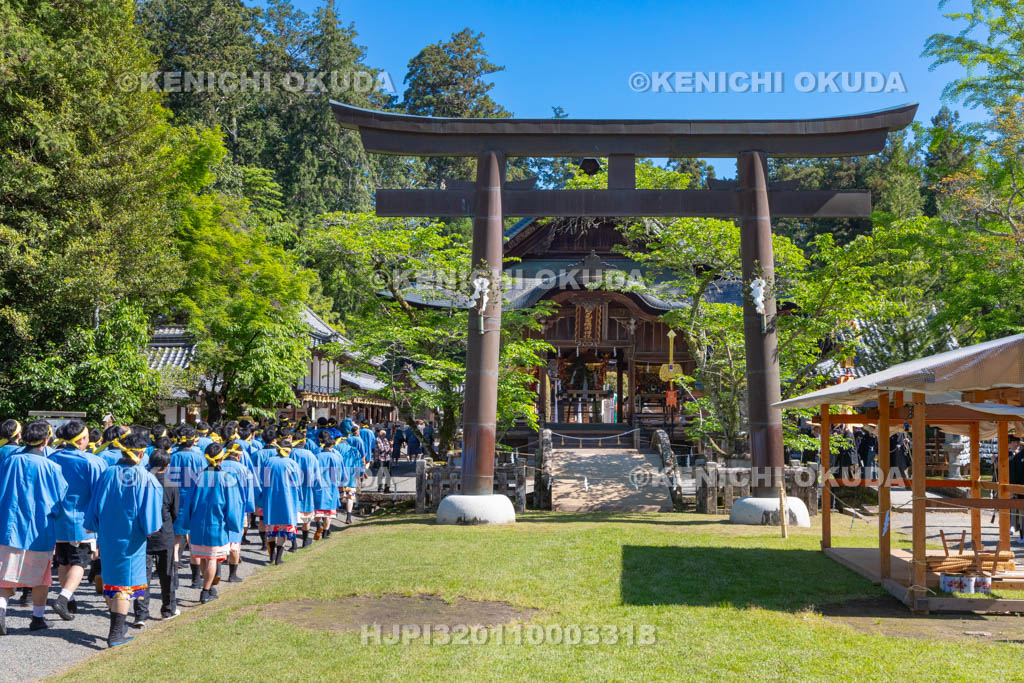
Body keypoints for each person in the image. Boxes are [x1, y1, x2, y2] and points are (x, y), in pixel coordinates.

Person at [84, 432, 162, 647]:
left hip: (108, 536)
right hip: (131, 540)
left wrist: (93, 525)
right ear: (142, 452)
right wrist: (150, 529)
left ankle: (118, 628)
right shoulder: (145, 478)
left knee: (112, 581)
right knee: (123, 586)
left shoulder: (108, 473)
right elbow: (151, 521)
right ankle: (116, 633)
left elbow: (94, 505)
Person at [0, 420, 68, 635]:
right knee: (41, 577)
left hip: (9, 528)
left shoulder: (10, 461)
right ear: (46, 440)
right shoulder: (52, 467)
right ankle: (37, 618)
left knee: (5, 575)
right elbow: (60, 500)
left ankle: (1, 611)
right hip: (41, 530)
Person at [48, 419, 106, 621]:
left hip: (56, 520)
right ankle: (63, 598)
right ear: (82, 439)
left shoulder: (52, 457)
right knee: (80, 563)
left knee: (64, 562)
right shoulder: (92, 461)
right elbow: (100, 495)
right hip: (81, 521)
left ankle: (69, 599)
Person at [178, 442, 244, 604]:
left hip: (197, 524)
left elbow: (188, 503)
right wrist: (235, 525)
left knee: (203, 557)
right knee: (212, 558)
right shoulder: (227, 478)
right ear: (221, 458)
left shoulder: (198, 477)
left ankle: (208, 585)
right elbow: (233, 506)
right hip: (217, 524)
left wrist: (186, 522)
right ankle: (206, 590)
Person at [138, 448, 180, 623]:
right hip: (165, 532)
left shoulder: (141, 482)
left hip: (145, 533)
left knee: (143, 575)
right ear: (167, 465)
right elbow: (175, 511)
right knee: (167, 573)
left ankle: (141, 613)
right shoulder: (171, 485)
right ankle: (168, 608)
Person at [168, 425, 205, 587]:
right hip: (194, 502)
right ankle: (196, 579)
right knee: (194, 542)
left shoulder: (171, 457)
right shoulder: (199, 458)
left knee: (175, 542)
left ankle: (174, 578)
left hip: (173, 503)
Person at [259, 428, 301, 565]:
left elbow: (263, 481)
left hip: (270, 500)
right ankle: (278, 558)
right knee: (283, 530)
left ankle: (271, 556)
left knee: (270, 528)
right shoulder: (292, 463)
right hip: (287, 500)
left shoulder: (268, 462)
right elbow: (297, 483)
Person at [219, 439, 255, 581]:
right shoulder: (244, 470)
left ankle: (217, 572)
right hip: (237, 507)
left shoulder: (217, 466)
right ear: (239, 456)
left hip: (218, 506)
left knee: (220, 538)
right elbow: (249, 494)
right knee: (235, 541)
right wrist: (249, 509)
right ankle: (232, 574)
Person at [288, 431, 319, 550]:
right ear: (304, 441)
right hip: (307, 489)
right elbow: (317, 474)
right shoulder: (310, 455)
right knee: (306, 517)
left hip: (291, 489)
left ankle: (293, 544)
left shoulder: (289, 454)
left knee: (293, 516)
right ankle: (305, 541)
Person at [313, 430, 344, 540]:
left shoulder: (316, 456)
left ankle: (318, 526)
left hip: (318, 486)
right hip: (331, 486)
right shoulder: (336, 457)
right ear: (332, 446)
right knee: (328, 512)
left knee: (317, 510)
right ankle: (325, 532)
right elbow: (341, 473)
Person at [335, 435, 364, 525]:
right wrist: (360, 473)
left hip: (337, 477)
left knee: (336, 496)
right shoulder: (354, 450)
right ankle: (348, 517)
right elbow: (359, 465)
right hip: (351, 478)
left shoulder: (335, 449)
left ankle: (334, 513)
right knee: (350, 498)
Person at [374, 428, 393, 493]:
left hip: (387, 458)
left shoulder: (385, 439)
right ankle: (380, 487)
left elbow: (388, 450)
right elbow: (381, 449)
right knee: (380, 473)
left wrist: (390, 446)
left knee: (388, 473)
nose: (385, 434)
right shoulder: (377, 439)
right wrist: (389, 448)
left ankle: (387, 488)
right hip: (380, 458)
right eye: (383, 433)